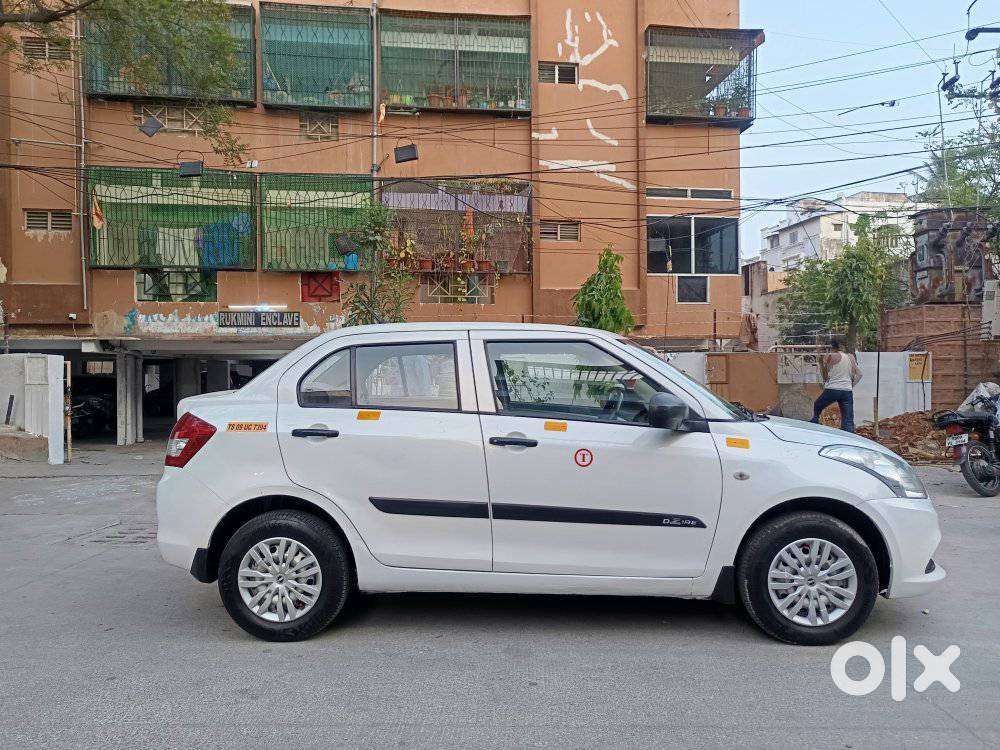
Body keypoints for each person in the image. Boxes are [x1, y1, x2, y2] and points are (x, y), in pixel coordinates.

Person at [811, 339, 862, 432]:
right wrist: (851, 385)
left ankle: (814, 424)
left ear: (832, 347)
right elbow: (860, 374)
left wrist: (821, 362)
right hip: (847, 391)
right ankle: (849, 436)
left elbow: (825, 377)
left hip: (833, 389)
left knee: (817, 405)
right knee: (848, 419)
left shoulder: (830, 356)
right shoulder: (851, 357)